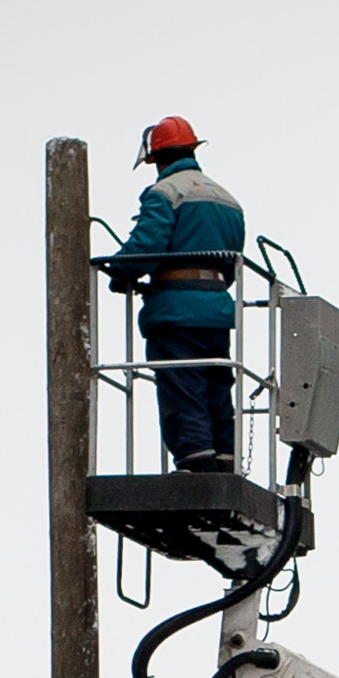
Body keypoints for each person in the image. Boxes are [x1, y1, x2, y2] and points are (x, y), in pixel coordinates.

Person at [116, 115, 244, 474]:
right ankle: (224, 459)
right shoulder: (228, 200)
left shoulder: (165, 193)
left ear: (156, 158)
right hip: (217, 310)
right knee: (217, 384)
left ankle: (195, 460)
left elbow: (147, 245)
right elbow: (231, 263)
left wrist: (119, 271)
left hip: (175, 310)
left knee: (181, 385)